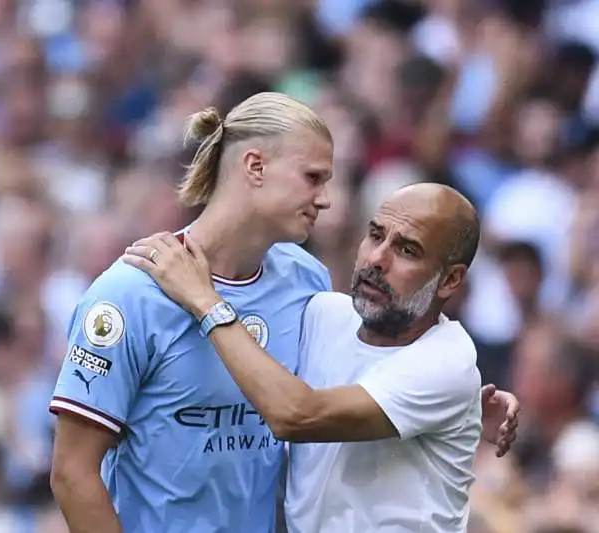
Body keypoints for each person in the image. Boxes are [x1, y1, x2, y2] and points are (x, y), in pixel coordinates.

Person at [48, 93, 517, 533]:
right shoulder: (129, 294)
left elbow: (310, 403)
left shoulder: (304, 281)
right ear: (255, 166)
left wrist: (460, 408)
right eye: (313, 177)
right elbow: (72, 474)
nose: (326, 198)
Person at [122, 182, 518, 533]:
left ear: (450, 280)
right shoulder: (320, 315)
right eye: (375, 235)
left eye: (407, 250)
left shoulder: (448, 361)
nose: (377, 259)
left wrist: (204, 300)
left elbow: (295, 414)